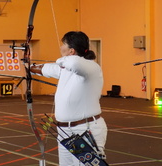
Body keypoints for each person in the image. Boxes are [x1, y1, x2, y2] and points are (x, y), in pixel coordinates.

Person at [31, 31, 108, 166]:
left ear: (71, 50)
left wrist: (61, 60)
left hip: (85, 129)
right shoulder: (66, 69)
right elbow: (47, 69)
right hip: (64, 131)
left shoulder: (91, 67)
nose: (61, 48)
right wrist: (30, 67)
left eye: (64, 45)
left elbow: (75, 64)